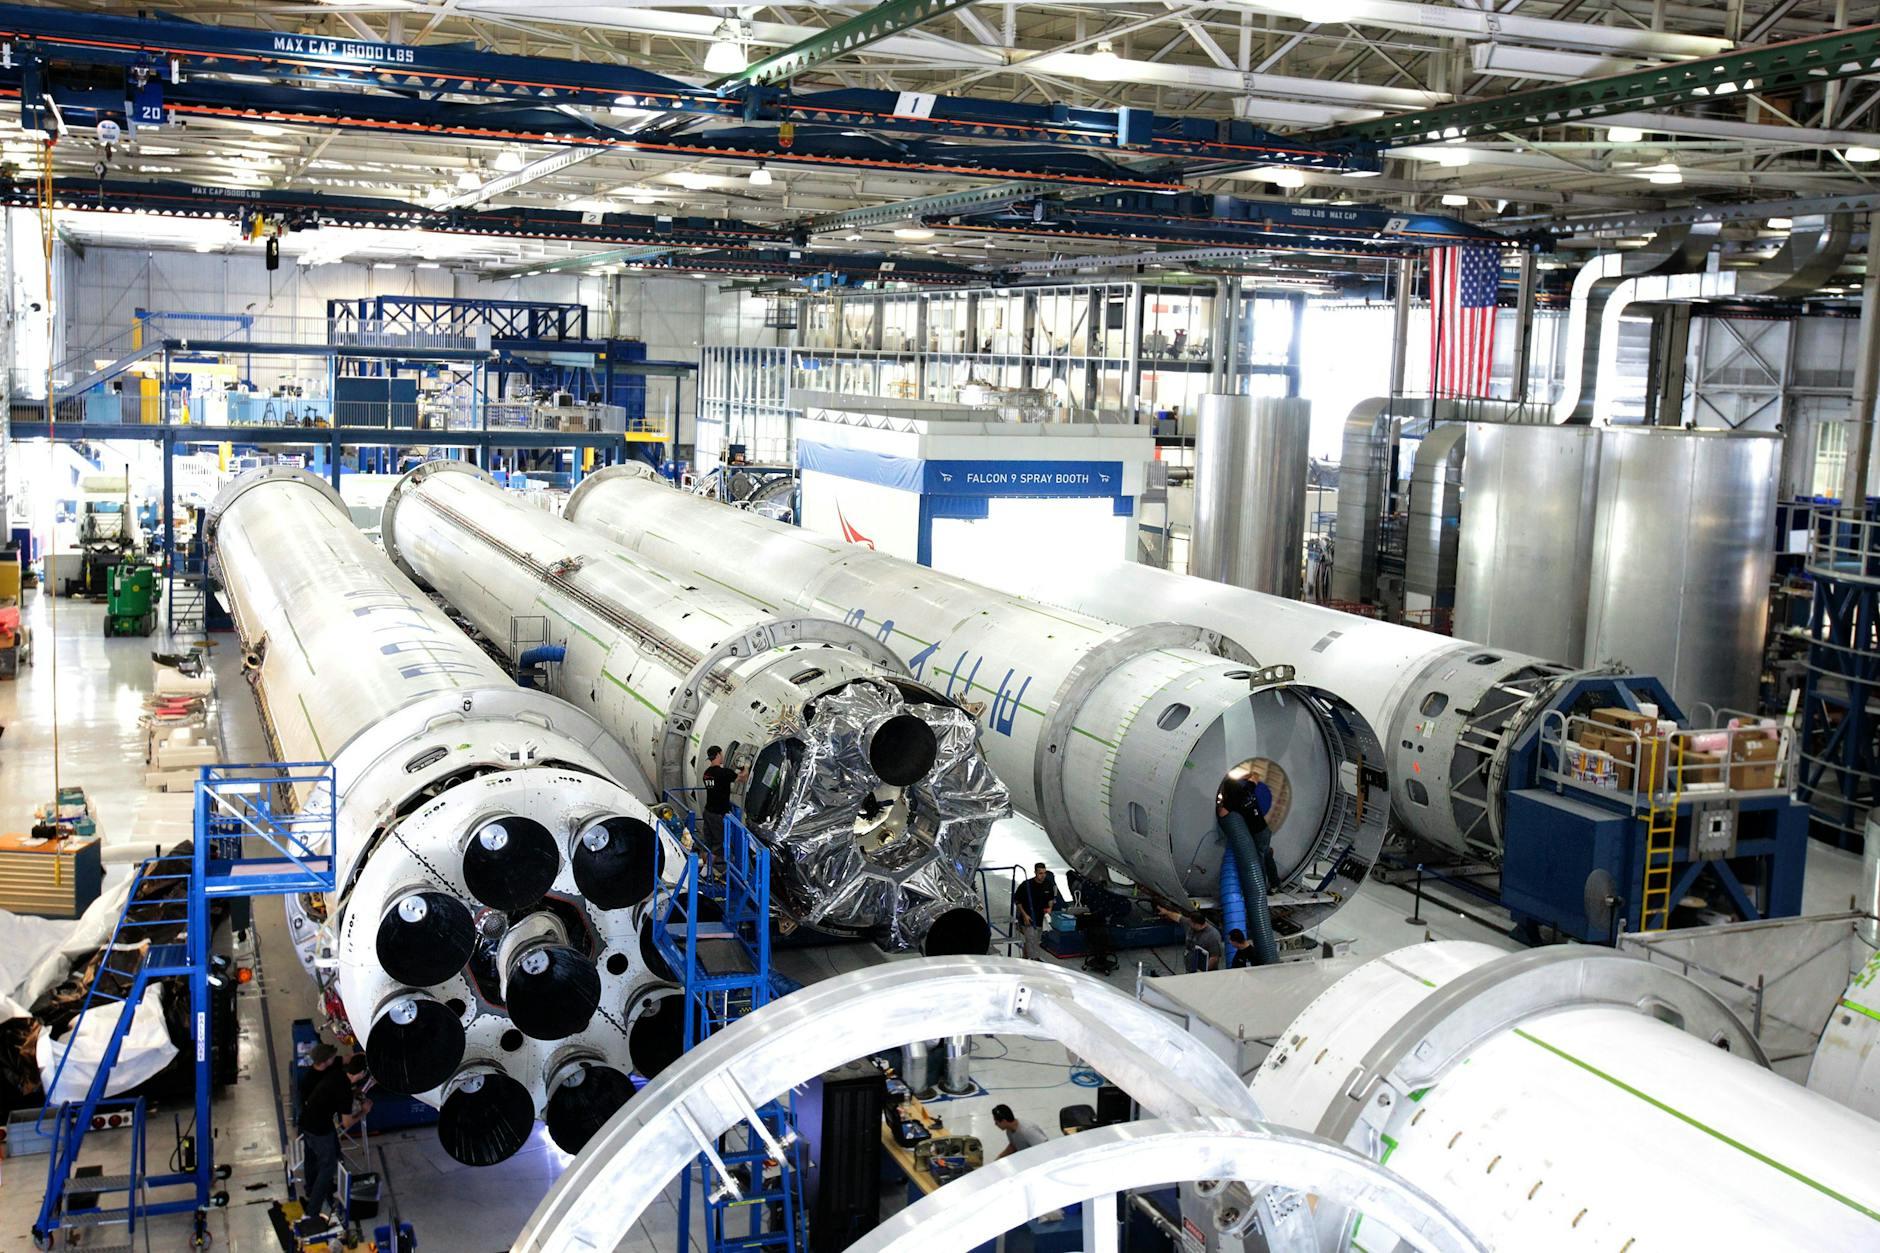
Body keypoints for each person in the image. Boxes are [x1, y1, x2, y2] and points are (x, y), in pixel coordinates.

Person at [298, 1044, 370, 1220]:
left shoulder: (337, 1074)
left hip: (309, 1122)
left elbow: (335, 1097)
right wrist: (364, 1112)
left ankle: (320, 1192)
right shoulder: (344, 1089)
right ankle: (312, 1213)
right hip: (319, 1130)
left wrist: (358, 1093)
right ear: (360, 1074)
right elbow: (346, 1123)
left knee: (325, 1156)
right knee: (327, 1168)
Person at [700, 746, 747, 869]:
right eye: (722, 754)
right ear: (718, 755)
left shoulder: (707, 773)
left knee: (708, 843)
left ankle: (705, 869)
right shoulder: (724, 773)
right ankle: (707, 871)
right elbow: (743, 778)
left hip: (708, 811)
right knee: (718, 844)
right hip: (718, 814)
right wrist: (746, 766)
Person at [1012, 863, 1059, 961]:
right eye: (1040, 873)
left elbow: (1051, 899)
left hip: (1041, 919)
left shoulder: (1048, 884)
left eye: (1044, 873)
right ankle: (1033, 960)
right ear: (1035, 873)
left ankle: (1026, 958)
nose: (1043, 875)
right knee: (1031, 940)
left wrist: (1049, 909)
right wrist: (1024, 915)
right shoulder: (1026, 885)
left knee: (1035, 940)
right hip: (1029, 919)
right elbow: (1017, 900)